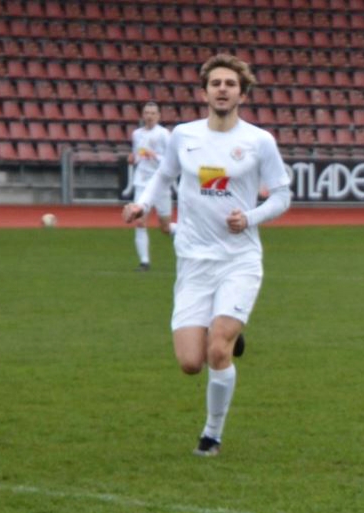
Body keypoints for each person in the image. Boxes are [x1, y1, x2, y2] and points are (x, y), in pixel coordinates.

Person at [121, 54, 290, 456]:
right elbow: (163, 176)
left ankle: (211, 434)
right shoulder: (184, 135)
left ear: (242, 94)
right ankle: (229, 333)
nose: (222, 89)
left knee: (217, 351)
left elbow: (282, 195)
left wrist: (249, 218)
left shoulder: (259, 141)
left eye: (230, 84)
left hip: (239, 259)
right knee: (190, 362)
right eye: (216, 83)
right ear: (204, 92)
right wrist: (142, 205)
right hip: (194, 260)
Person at [129, 101, 173, 272]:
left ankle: (189, 243)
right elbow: (137, 156)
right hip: (142, 182)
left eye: (153, 113)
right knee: (139, 221)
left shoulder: (164, 134)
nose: (150, 116)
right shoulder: (137, 134)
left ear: (159, 116)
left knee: (165, 227)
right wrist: (133, 158)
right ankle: (144, 262)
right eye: (147, 113)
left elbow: (171, 160)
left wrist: (154, 156)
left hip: (160, 183)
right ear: (143, 115)